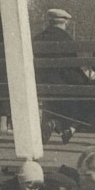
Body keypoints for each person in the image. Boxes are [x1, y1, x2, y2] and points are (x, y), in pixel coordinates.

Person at [34, 8, 84, 144]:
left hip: (39, 82)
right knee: (85, 88)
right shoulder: (66, 39)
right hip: (62, 82)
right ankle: (67, 126)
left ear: (50, 21)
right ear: (65, 22)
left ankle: (55, 123)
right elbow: (72, 65)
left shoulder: (37, 38)